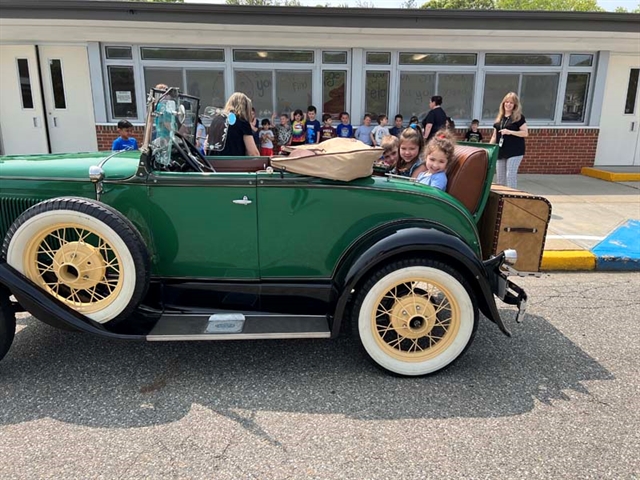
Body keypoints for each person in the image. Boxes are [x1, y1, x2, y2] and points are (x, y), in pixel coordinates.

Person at [490, 92, 528, 189]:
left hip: (515, 151)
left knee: (510, 175)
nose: (508, 104)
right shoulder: (500, 118)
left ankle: (512, 199)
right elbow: (494, 136)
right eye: (506, 102)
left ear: (515, 105)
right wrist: (489, 150)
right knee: (500, 178)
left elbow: (525, 133)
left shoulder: (518, 117)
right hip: (501, 151)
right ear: (503, 103)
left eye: (511, 103)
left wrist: (510, 132)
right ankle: (501, 200)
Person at [208, 92, 260, 157]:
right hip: (233, 164)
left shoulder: (216, 120)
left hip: (213, 164)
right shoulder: (242, 122)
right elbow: (253, 153)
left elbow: (207, 146)